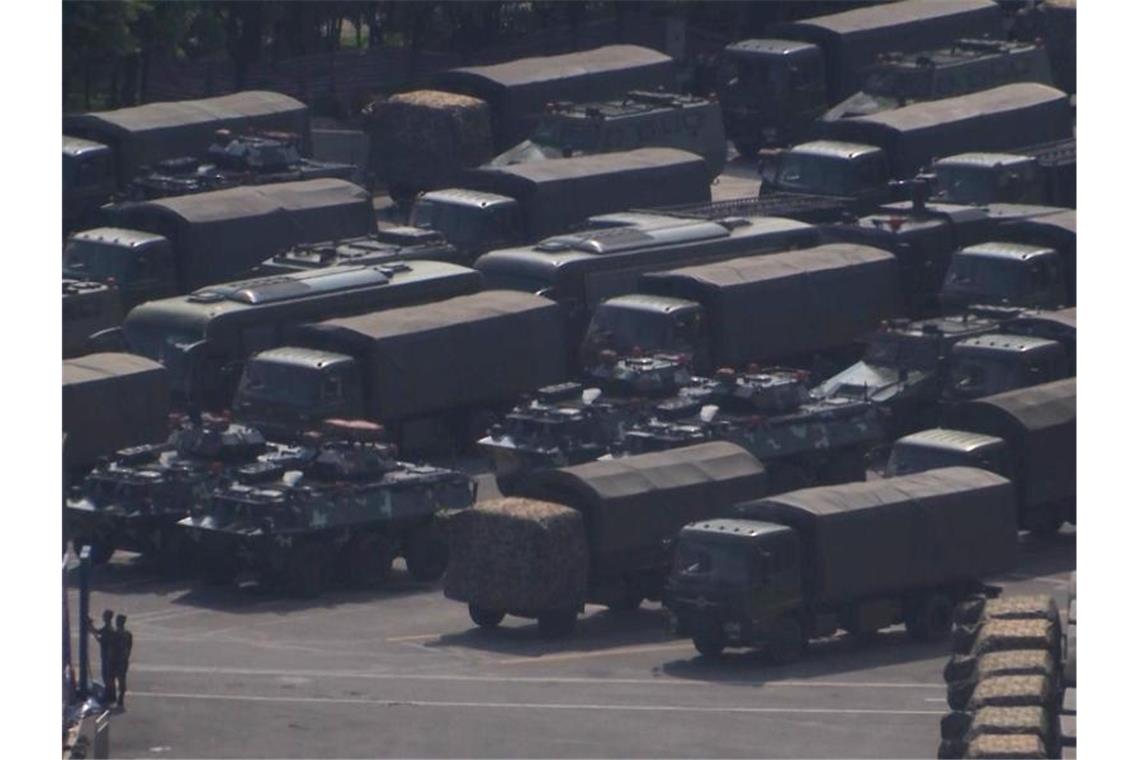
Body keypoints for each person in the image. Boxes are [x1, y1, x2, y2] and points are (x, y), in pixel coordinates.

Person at [88, 609, 115, 704]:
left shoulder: (108, 629)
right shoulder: (107, 628)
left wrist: (93, 632)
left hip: (108, 656)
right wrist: (91, 627)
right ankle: (111, 695)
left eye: (104, 616)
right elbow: (97, 631)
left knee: (107, 676)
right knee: (107, 676)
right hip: (107, 655)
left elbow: (100, 639)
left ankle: (109, 696)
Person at [110, 614, 133, 708]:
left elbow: (111, 646)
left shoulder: (115, 634)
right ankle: (120, 698)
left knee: (111, 678)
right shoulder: (128, 634)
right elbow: (130, 647)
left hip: (115, 659)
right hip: (123, 659)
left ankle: (113, 697)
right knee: (122, 679)